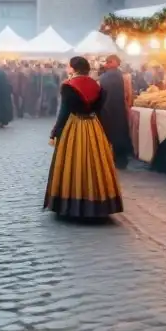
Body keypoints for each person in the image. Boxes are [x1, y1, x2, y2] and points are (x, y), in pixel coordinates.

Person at [44, 56, 123, 220]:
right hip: (93, 127)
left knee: (73, 163)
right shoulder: (97, 86)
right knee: (96, 162)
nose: (67, 69)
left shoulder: (68, 86)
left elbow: (64, 112)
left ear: (73, 68)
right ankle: (98, 202)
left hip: (75, 126)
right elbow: (100, 110)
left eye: (68, 66)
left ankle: (72, 204)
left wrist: (55, 132)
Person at [97, 54, 133, 169]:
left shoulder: (102, 78)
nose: (107, 64)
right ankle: (121, 160)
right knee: (120, 134)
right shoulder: (124, 77)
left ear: (115, 62)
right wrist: (128, 107)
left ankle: (107, 159)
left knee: (107, 135)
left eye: (109, 62)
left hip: (105, 110)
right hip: (119, 110)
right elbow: (129, 94)